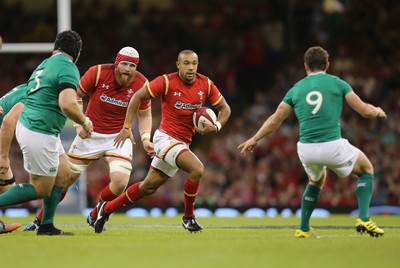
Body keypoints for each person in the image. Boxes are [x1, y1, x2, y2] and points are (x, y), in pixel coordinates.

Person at [238, 46, 386, 238]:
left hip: (306, 149)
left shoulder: (296, 89)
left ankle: (304, 228)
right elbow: (365, 111)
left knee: (316, 180)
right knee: (366, 170)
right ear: (327, 64)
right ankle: (364, 219)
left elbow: (275, 120)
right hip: (332, 145)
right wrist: (377, 111)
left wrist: (255, 138)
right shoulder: (338, 83)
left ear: (305, 66)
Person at [93, 49, 231, 234]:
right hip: (164, 138)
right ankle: (188, 218)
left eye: (194, 63)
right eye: (186, 63)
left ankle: (105, 209)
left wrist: (217, 127)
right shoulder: (166, 81)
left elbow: (225, 109)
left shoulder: (205, 84)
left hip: (182, 143)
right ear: (178, 65)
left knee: (148, 186)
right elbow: (137, 97)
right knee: (197, 169)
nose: (191, 68)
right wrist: (127, 127)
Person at [24, 46, 153, 231]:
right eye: (124, 63)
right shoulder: (98, 72)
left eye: (132, 65)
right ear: (117, 63)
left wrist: (146, 138)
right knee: (65, 180)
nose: (127, 68)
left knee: (120, 182)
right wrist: (79, 124)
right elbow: (75, 96)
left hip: (119, 136)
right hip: (90, 133)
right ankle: (39, 219)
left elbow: (145, 114)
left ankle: (96, 213)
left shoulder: (142, 84)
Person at [0, 30, 93, 236]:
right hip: (38, 130)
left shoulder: (44, 64)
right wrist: (84, 122)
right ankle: (45, 226)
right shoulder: (68, 67)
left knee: (63, 173)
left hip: (41, 128)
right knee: (41, 188)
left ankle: (46, 226)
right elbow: (67, 103)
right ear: (77, 52)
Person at [0, 84, 27, 234]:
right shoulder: (32, 96)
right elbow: (8, 122)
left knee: (8, 189)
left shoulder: (25, 87)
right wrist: (3, 157)